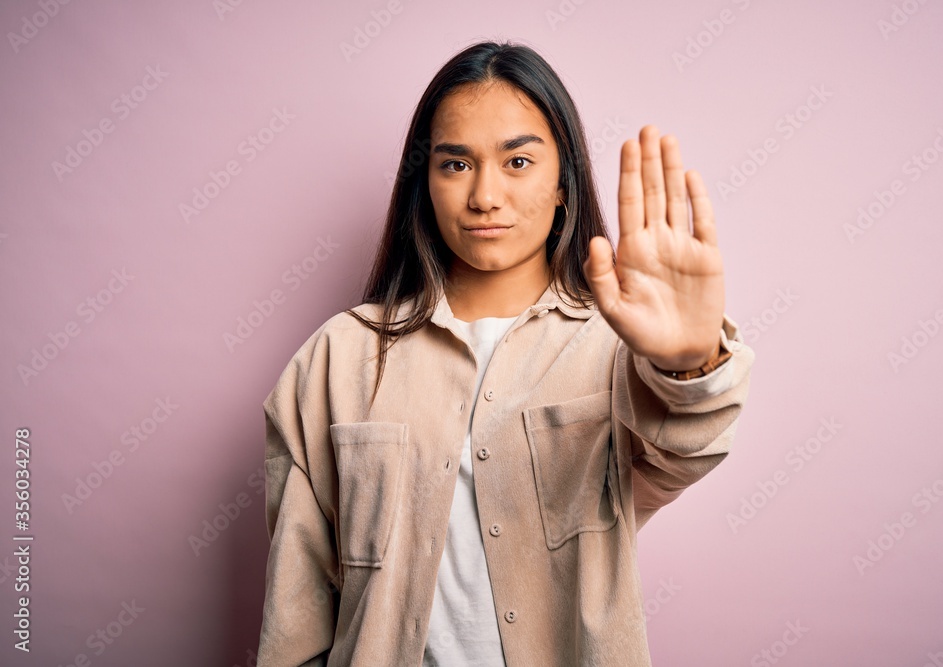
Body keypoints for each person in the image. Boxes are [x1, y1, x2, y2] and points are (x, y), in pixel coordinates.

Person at [256, 40, 755, 666]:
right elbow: (295, 610)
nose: (485, 195)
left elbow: (684, 450)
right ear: (425, 185)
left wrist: (688, 364)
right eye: (456, 165)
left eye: (517, 161)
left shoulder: (617, 351)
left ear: (564, 184)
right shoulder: (337, 358)